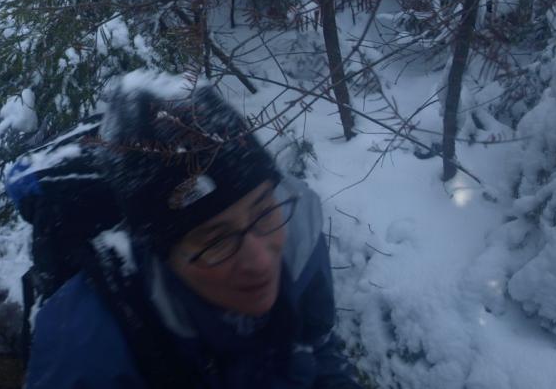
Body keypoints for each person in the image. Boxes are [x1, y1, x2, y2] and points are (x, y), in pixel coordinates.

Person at [24, 72, 363, 389]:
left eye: (261, 211)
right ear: (161, 252)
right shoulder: (86, 345)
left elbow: (315, 346)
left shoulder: (294, 234)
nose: (260, 260)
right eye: (215, 240)